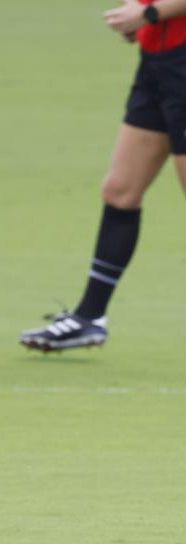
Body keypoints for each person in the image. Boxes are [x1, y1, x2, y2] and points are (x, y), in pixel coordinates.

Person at [20, 0, 186, 352]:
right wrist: (140, 15)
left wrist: (150, 13)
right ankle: (90, 317)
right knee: (120, 191)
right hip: (158, 62)